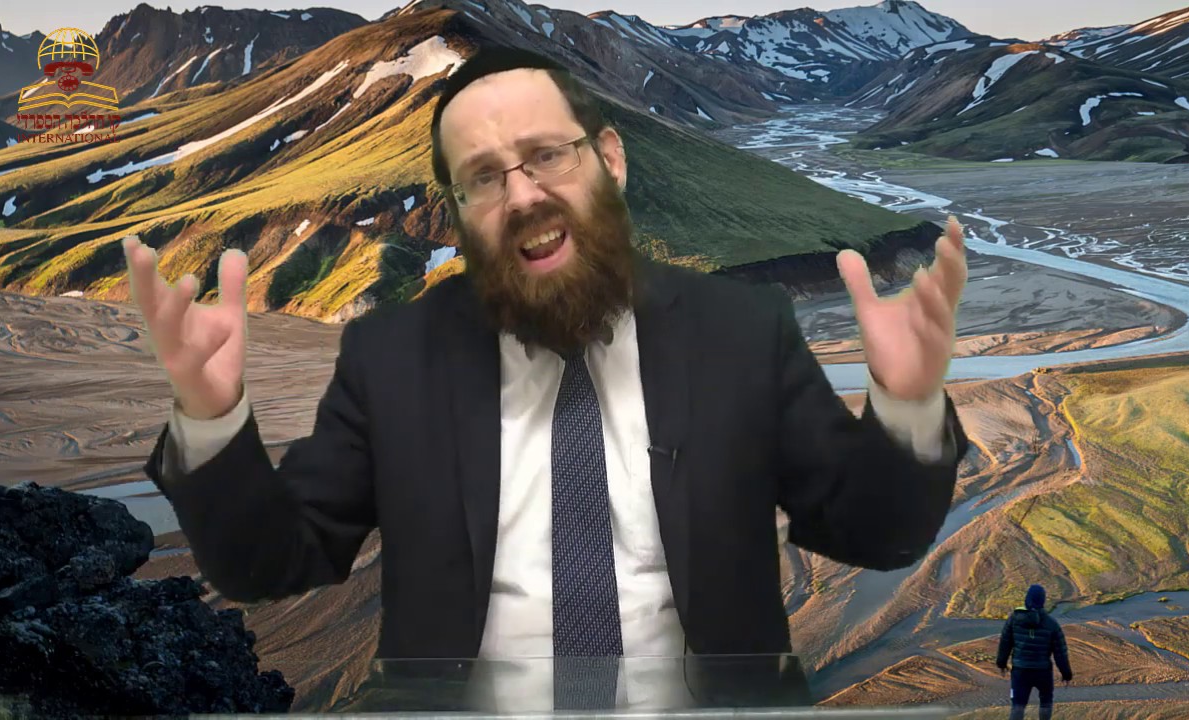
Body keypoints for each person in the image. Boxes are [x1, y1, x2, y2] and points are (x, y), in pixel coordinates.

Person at [123, 45, 970, 708]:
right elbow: (272, 566)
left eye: (546, 157)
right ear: (460, 212)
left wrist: (906, 407)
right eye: (484, 177)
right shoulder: (390, 355)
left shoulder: (741, 331)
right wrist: (211, 416)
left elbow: (875, 536)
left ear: (611, 159)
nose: (524, 195)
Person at [996, 584, 1073, 720]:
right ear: (1043, 601)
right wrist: (1066, 673)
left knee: (1018, 706)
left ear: (1027, 599)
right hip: (1043, 671)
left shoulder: (1014, 619)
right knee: (1046, 703)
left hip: (1020, 671)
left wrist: (1001, 663)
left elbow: (1005, 643)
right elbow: (1060, 652)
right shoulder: (1051, 624)